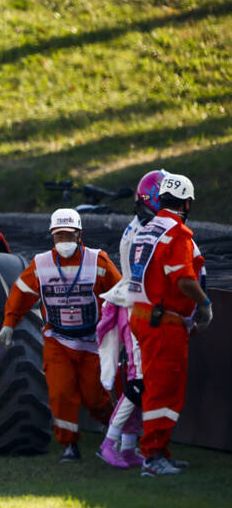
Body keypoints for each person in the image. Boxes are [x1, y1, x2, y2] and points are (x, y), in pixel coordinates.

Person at [0, 208, 121, 462]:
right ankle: (69, 445)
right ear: (52, 237)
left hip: (92, 342)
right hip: (58, 341)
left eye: (69, 235)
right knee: (61, 393)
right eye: (59, 236)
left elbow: (120, 293)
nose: (64, 240)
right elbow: (21, 292)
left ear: (79, 235)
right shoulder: (41, 265)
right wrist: (9, 323)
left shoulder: (99, 262)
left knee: (94, 396)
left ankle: (114, 428)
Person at [126, 173, 210, 477]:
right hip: (163, 323)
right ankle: (152, 456)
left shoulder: (148, 229)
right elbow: (184, 280)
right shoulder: (176, 235)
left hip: (145, 316)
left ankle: (159, 450)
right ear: (186, 203)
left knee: (157, 388)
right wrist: (204, 305)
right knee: (164, 391)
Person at [95, 169, 169, 469]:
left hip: (134, 305)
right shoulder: (142, 231)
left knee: (143, 381)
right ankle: (109, 442)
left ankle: (127, 446)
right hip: (135, 309)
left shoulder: (140, 225)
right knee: (138, 383)